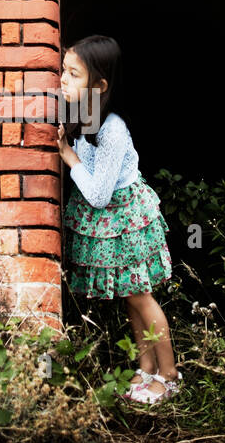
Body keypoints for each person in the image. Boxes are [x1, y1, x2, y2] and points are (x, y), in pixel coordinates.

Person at [55, 34, 182, 405]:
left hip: (126, 219)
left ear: (100, 85)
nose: (62, 79)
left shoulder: (112, 129)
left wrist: (68, 157)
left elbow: (98, 195)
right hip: (109, 221)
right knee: (130, 298)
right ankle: (146, 369)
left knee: (142, 297)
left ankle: (169, 374)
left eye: (73, 74)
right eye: (63, 70)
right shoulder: (82, 117)